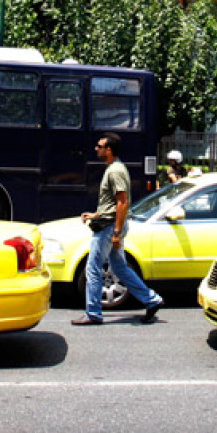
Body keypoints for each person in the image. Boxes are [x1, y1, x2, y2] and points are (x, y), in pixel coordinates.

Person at [72, 133, 164, 325]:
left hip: (108, 228)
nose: (96, 149)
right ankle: (152, 300)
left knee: (93, 268)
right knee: (119, 267)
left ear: (109, 150)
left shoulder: (115, 171)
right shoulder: (113, 169)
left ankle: (93, 313)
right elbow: (113, 202)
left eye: (99, 146)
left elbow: (123, 202)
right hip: (108, 223)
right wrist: (96, 214)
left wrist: (116, 232)